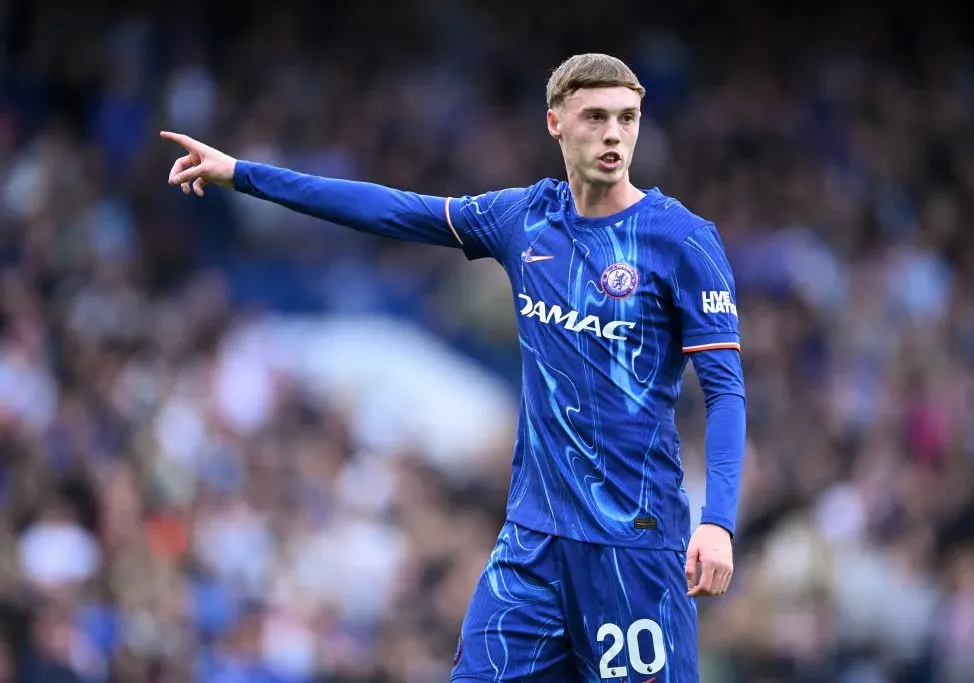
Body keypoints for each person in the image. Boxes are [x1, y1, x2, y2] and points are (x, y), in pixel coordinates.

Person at [162, 53, 747, 683]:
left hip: (631, 543)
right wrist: (242, 175)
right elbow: (388, 209)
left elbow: (726, 393)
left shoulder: (682, 241)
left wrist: (717, 522)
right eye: (595, 117)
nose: (613, 134)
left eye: (626, 119)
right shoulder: (523, 219)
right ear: (555, 123)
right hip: (535, 543)